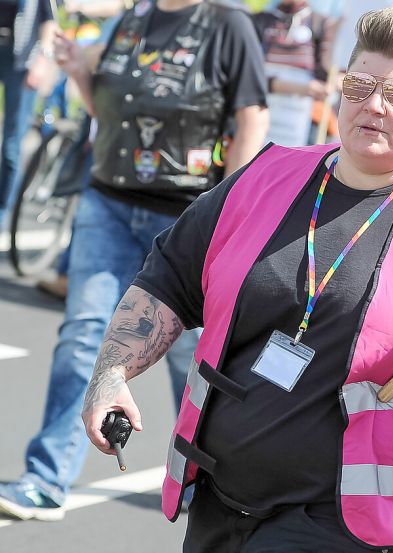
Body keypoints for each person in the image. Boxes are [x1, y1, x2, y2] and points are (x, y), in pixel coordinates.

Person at [77, 6, 393, 551]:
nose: (374, 104)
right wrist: (111, 375)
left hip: (358, 528)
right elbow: (167, 280)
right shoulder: (265, 177)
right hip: (222, 506)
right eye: (359, 84)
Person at [0, 0, 269, 521]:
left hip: (187, 215)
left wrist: (232, 208)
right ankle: (47, 478)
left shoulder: (228, 24)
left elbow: (251, 115)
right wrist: (80, 72)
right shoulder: (133, 21)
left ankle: (206, 477)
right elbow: (109, 112)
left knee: (190, 355)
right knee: (85, 335)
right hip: (109, 203)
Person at [0, 0, 57, 228]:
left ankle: (3, 212)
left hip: (22, 59)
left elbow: (49, 20)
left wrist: (42, 59)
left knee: (12, 145)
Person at [253, 0, 341, 146]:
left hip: (302, 123)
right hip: (260, 116)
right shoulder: (260, 21)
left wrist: (336, 82)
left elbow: (328, 72)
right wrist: (300, 88)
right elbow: (249, 77)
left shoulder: (320, 23)